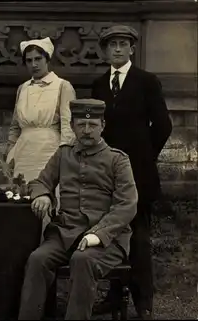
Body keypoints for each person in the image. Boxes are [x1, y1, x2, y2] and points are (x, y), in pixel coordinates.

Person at [18, 99, 138, 320]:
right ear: (72, 126)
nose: (86, 130)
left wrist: (97, 234)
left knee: (82, 260)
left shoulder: (118, 160)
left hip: (108, 239)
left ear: (103, 125)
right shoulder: (64, 154)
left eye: (92, 125)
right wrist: (43, 194)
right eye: (81, 124)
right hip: (65, 233)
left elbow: (126, 205)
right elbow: (41, 182)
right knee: (37, 259)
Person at [91, 25, 172, 319]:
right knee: (109, 235)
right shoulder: (99, 85)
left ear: (132, 49)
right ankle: (113, 296)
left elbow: (163, 126)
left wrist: (143, 158)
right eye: (112, 44)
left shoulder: (146, 81)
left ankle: (143, 301)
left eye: (123, 44)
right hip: (106, 177)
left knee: (138, 238)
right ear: (104, 50)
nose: (117, 49)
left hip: (138, 174)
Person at [6, 37, 75, 182]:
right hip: (23, 152)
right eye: (29, 60)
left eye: (38, 59)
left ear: (47, 59)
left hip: (49, 151)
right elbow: (15, 126)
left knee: (44, 193)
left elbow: (67, 125)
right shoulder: (23, 88)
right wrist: (10, 150)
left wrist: (65, 155)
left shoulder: (62, 86)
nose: (34, 64)